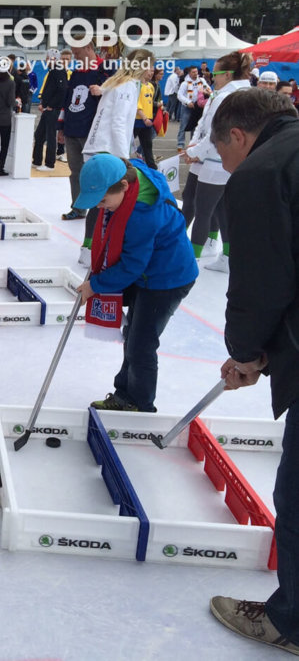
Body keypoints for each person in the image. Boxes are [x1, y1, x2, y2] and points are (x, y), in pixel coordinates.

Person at [207, 88, 299, 657]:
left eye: (223, 156)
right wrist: (268, 358)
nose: (226, 167)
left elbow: (262, 282)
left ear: (238, 136)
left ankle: (289, 621)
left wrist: (245, 350)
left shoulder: (264, 171)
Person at [76, 154, 198, 412]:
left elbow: (132, 266)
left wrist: (95, 285)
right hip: (148, 274)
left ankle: (141, 405)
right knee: (132, 335)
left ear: (122, 186)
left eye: (103, 200)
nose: (100, 207)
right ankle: (124, 394)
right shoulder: (131, 178)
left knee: (141, 344)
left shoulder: (142, 215)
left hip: (167, 280)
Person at [79, 49, 155, 266]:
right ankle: (91, 248)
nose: (152, 71)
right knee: (103, 201)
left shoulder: (119, 83)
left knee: (100, 202)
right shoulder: (127, 85)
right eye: (150, 66)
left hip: (100, 147)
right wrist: (124, 157)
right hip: (107, 150)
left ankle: (93, 247)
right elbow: (119, 122)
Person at [182, 51, 253, 273]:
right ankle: (223, 253)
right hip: (213, 156)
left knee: (203, 207)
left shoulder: (228, 96)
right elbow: (204, 123)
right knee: (216, 206)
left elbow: (215, 132)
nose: (211, 77)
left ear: (228, 74)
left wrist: (197, 152)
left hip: (216, 157)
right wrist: (194, 146)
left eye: (215, 73)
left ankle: (190, 259)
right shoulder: (231, 92)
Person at [57, 37, 110, 220]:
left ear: (88, 47)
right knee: (76, 172)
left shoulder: (105, 69)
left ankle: (99, 209)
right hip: (72, 129)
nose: (75, 56)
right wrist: (61, 127)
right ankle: (78, 208)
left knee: (93, 172)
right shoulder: (77, 72)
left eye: (77, 52)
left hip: (91, 132)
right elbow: (67, 101)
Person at [32, 48, 68, 172]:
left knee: (50, 135)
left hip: (52, 109)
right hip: (47, 108)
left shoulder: (58, 71)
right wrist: (44, 103)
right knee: (39, 134)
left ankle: (49, 164)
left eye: (48, 57)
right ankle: (36, 160)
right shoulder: (53, 70)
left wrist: (51, 105)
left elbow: (62, 90)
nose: (46, 60)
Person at [176, 66, 211, 151]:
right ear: (189, 73)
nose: (195, 74)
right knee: (183, 125)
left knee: (195, 125)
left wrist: (207, 92)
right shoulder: (185, 83)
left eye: (196, 72)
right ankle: (180, 143)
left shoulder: (201, 81)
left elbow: (208, 89)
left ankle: (193, 143)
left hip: (198, 106)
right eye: (193, 72)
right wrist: (188, 102)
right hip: (187, 106)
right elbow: (179, 95)